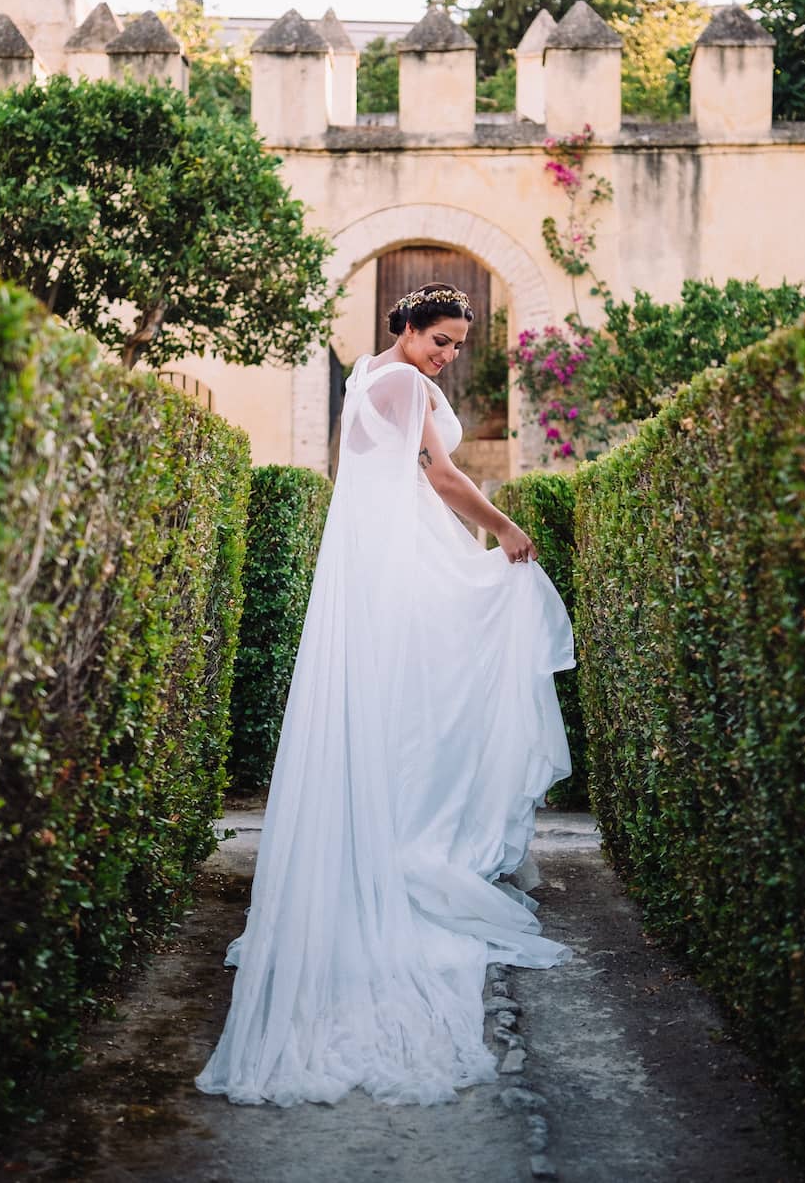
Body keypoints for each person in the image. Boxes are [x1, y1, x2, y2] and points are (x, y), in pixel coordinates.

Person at [195, 281, 576, 1107]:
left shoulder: (369, 373)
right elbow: (440, 476)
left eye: (458, 345)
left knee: (407, 704)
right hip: (405, 554)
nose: (449, 355)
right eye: (441, 339)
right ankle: (413, 847)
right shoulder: (401, 380)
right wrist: (505, 528)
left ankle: (396, 833)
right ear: (406, 326)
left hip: (386, 556)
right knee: (450, 676)